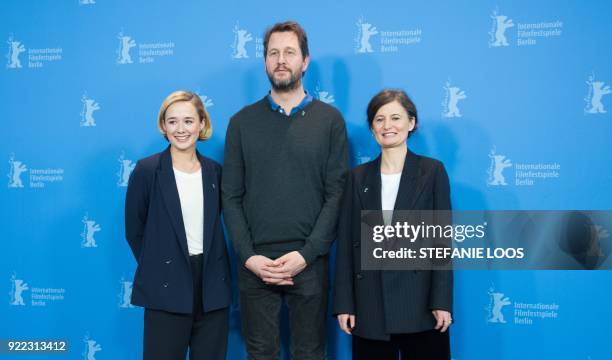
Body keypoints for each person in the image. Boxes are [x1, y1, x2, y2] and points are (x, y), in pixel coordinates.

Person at [222, 21, 348, 360]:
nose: (281, 60)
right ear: (264, 62)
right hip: (255, 265)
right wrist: (249, 257)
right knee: (260, 353)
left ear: (305, 61)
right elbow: (230, 197)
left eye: (289, 52)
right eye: (273, 53)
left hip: (309, 262)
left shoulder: (330, 121)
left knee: (310, 353)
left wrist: (307, 254)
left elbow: (336, 194)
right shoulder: (241, 123)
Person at [333, 89, 453, 359]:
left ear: (411, 123)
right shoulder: (357, 178)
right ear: (372, 128)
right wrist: (344, 304)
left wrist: (441, 302)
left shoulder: (432, 172)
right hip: (370, 308)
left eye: (396, 118)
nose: (388, 126)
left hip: (422, 308)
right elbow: (346, 245)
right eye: (379, 119)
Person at [125, 90, 231, 360]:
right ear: (163, 125)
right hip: (166, 286)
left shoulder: (215, 172)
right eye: (172, 121)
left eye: (188, 121)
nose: (180, 129)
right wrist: (161, 264)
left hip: (211, 287)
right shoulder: (147, 171)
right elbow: (134, 230)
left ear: (202, 124)